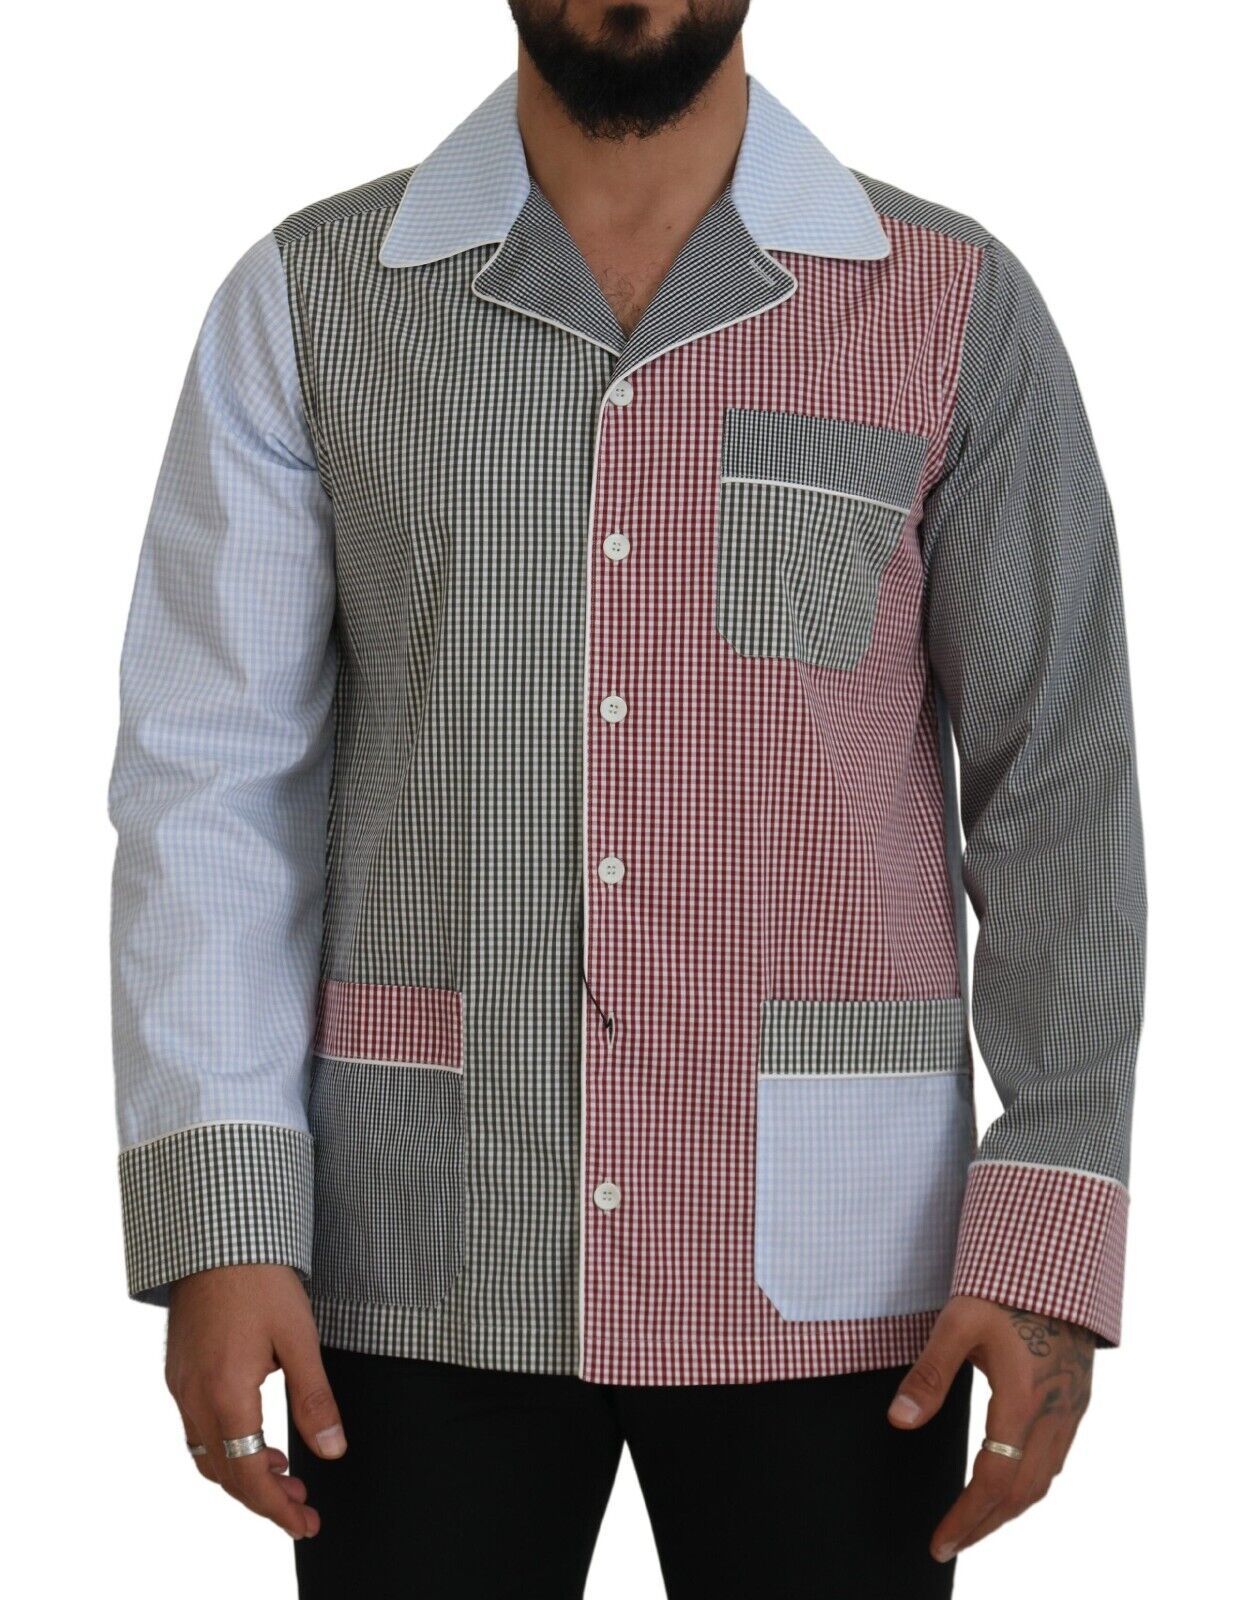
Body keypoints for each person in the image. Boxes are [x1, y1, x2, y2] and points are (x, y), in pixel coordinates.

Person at [106, 3, 1147, 1595]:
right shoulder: (313, 301)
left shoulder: (950, 309)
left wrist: (1048, 1230)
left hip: (846, 1274)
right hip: (419, 1247)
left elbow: (1057, 783)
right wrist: (219, 1213)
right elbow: (211, 776)